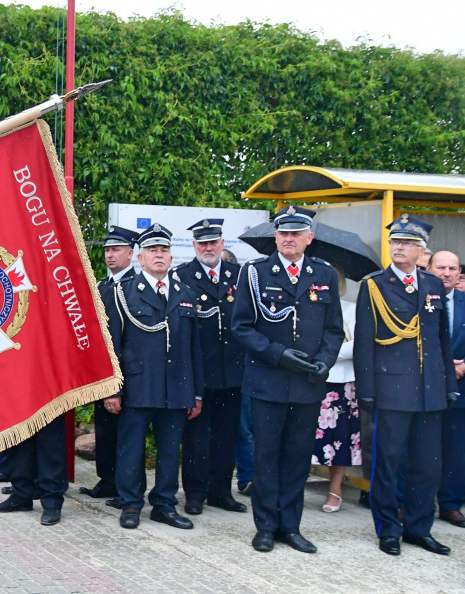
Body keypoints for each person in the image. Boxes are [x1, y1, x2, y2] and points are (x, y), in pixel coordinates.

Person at [231, 205, 343, 554]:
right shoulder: (255, 272)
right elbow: (242, 327)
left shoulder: (323, 274)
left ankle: (290, 527)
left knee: (297, 458)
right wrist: (278, 354)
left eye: (296, 233)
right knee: (266, 457)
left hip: (307, 385)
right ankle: (265, 527)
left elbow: (334, 329)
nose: (289, 239)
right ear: (275, 237)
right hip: (268, 381)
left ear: (309, 238)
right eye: (283, 233)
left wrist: (324, 361)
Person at [355, 214, 458, 557]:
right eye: (395, 242)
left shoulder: (431, 285)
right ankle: (388, 530)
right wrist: (366, 389)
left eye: (407, 243)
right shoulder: (375, 285)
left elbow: (441, 339)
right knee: (388, 464)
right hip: (392, 390)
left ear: (421, 250)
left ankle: (418, 528)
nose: (399, 247)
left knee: (427, 465)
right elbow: (365, 343)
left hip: (430, 391)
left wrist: (446, 384)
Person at [104, 224, 203, 531]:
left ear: (171, 256)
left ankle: (164, 504)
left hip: (176, 388)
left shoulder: (186, 294)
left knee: (170, 450)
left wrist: (196, 393)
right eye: (152, 251)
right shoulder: (122, 292)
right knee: (131, 448)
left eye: (164, 251)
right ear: (141, 258)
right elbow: (112, 346)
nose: (158, 256)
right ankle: (131, 503)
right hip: (137, 386)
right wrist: (113, 390)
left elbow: (193, 348)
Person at [176, 218, 248, 516]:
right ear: (194, 245)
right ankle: (194, 494)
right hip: (200, 374)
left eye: (213, 242)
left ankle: (220, 492)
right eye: (202, 242)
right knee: (196, 439)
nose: (208, 247)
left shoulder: (239, 274)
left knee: (226, 436)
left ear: (222, 244)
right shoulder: (182, 276)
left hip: (233, 372)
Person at [78, 225, 137, 505]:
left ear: (130, 253)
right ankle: (107, 479)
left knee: (126, 433)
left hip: (128, 372)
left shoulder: (136, 285)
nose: (110, 255)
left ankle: (127, 485)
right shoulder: (102, 286)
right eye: (108, 250)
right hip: (102, 371)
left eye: (116, 250)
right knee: (104, 429)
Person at [429, 250, 465, 529]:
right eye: (441, 267)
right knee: (421, 450)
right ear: (430, 270)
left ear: (460, 273)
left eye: (452, 268)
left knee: (457, 451)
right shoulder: (417, 299)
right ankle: (416, 502)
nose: (446, 273)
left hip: (463, 388)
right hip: (425, 389)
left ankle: (450, 505)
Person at [310, 264, 361, 513]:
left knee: (339, 441)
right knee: (306, 437)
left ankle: (335, 491)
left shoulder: (351, 309)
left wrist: (326, 354)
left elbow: (357, 346)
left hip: (341, 383)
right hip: (311, 381)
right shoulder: (310, 308)